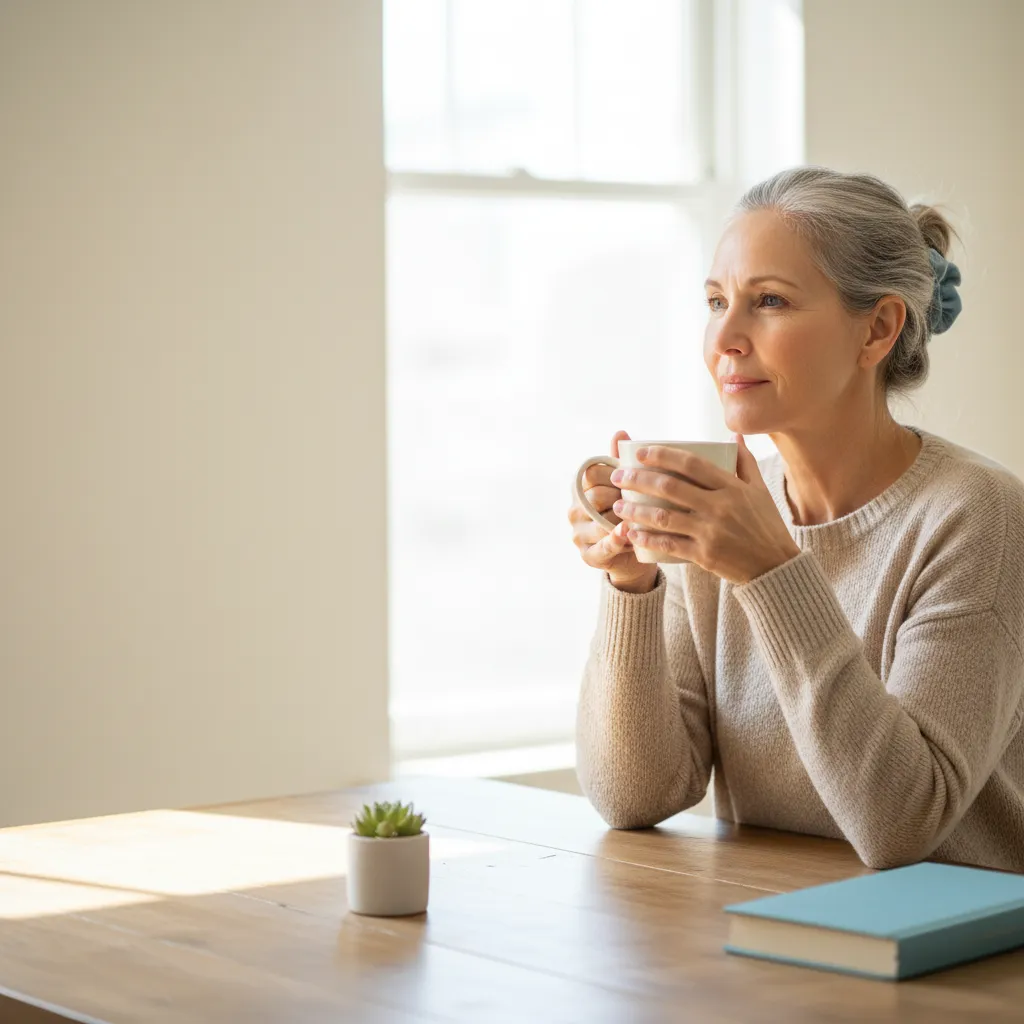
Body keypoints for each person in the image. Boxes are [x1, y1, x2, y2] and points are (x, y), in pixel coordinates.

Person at [567, 166, 1024, 872]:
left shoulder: (978, 517)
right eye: (716, 301)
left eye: (769, 301)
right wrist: (631, 586)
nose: (725, 337)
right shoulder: (726, 506)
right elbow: (635, 795)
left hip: (964, 962)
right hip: (772, 934)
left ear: (877, 329)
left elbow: (903, 825)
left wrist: (770, 570)